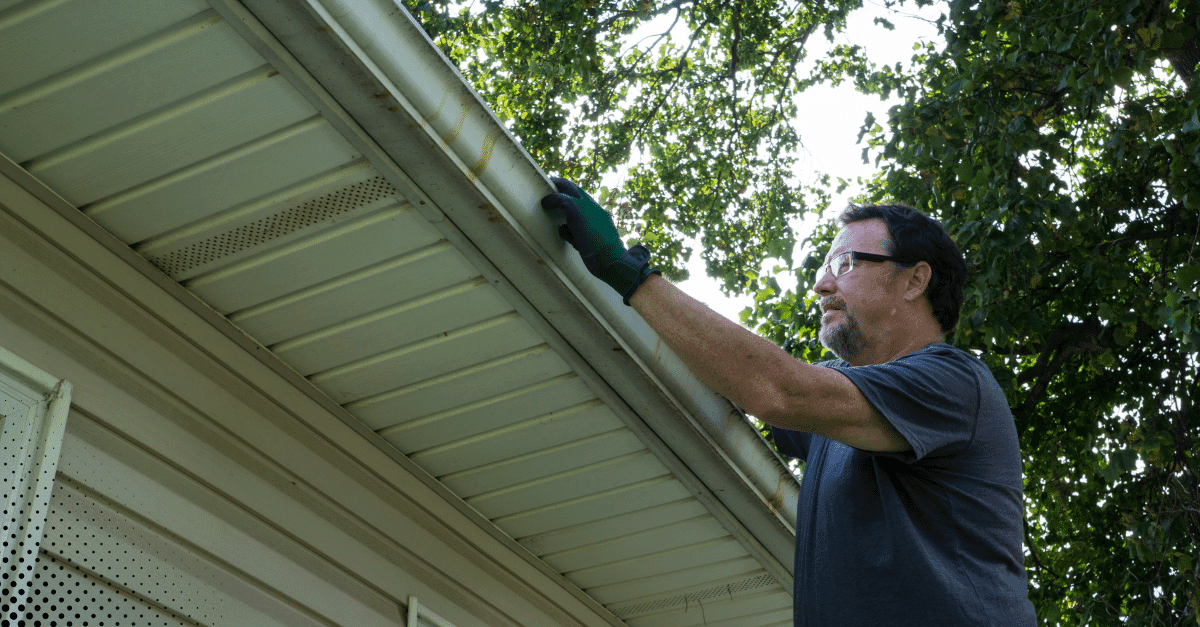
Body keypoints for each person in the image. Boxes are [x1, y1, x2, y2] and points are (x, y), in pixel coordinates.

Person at [541, 178, 1037, 626]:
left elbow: (773, 388)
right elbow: (734, 378)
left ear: (914, 280)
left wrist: (629, 274)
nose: (822, 284)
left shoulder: (953, 382)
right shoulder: (833, 409)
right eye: (825, 267)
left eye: (845, 263)